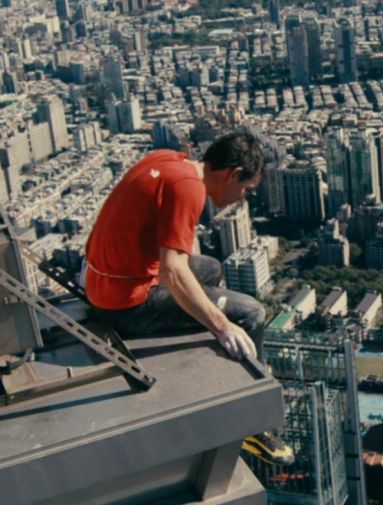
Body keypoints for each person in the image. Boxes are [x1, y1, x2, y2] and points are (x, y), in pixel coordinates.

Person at [84, 132, 294, 466]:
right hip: (127, 303)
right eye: (246, 189)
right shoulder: (189, 189)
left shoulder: (168, 160)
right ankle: (251, 417)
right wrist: (222, 325)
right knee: (251, 314)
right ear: (231, 173)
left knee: (209, 269)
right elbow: (172, 270)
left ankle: (219, 358)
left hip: (101, 282)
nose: (242, 198)